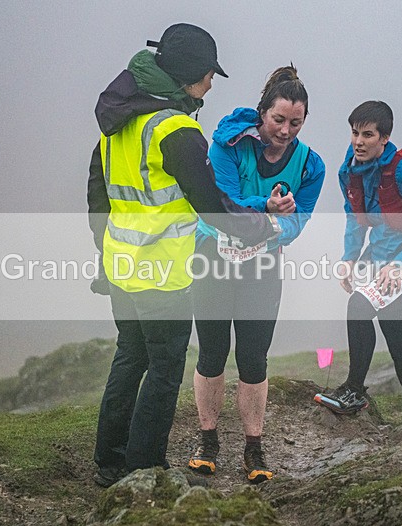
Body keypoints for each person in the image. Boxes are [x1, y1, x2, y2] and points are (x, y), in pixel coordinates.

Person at [87, 23, 281, 488]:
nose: (211, 83)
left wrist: (105, 252)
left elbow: (98, 195)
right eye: (209, 74)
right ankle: (145, 467)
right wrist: (259, 225)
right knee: (164, 366)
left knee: (130, 356)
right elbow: (210, 202)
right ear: (189, 74)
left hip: (121, 266)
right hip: (162, 274)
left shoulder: (120, 122)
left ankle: (109, 461)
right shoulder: (175, 129)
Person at [187, 66, 325, 483]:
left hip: (262, 264)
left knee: (253, 358)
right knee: (212, 353)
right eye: (278, 119)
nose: (285, 130)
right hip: (213, 252)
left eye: (295, 123)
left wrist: (273, 226)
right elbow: (222, 202)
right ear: (262, 112)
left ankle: (254, 447)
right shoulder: (227, 144)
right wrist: (266, 209)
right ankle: (207, 441)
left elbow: (298, 221)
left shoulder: (310, 165)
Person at [314, 101, 402, 418]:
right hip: (385, 263)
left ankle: (353, 392)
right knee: (401, 348)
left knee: (360, 305)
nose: (358, 142)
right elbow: (355, 218)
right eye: (354, 133)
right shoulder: (350, 171)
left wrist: (400, 263)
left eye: (368, 135)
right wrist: (350, 258)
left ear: (384, 138)